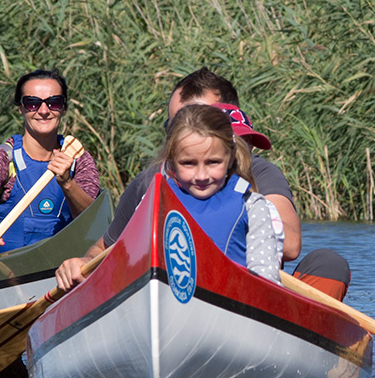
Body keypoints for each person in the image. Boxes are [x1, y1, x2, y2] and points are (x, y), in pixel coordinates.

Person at [65, 66, 351, 297]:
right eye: (177, 124)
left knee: (328, 264)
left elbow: (288, 247)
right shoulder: (151, 182)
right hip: (166, 293)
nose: (201, 173)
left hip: (243, 293)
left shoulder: (258, 180)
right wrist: (81, 264)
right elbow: (105, 249)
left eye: (199, 120)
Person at [56, 104, 282, 290]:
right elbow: (118, 258)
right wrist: (84, 264)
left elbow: (266, 285)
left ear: (231, 157)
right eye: (188, 163)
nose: (201, 175)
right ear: (172, 161)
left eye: (213, 162)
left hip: (232, 303)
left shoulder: (252, 206)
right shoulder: (153, 202)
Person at [0, 69, 102, 254]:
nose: (44, 111)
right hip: (9, 273)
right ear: (21, 108)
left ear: (63, 108)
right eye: (32, 104)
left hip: (66, 270)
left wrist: (67, 184)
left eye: (53, 103)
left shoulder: (78, 158)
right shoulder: (3, 158)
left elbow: (93, 221)